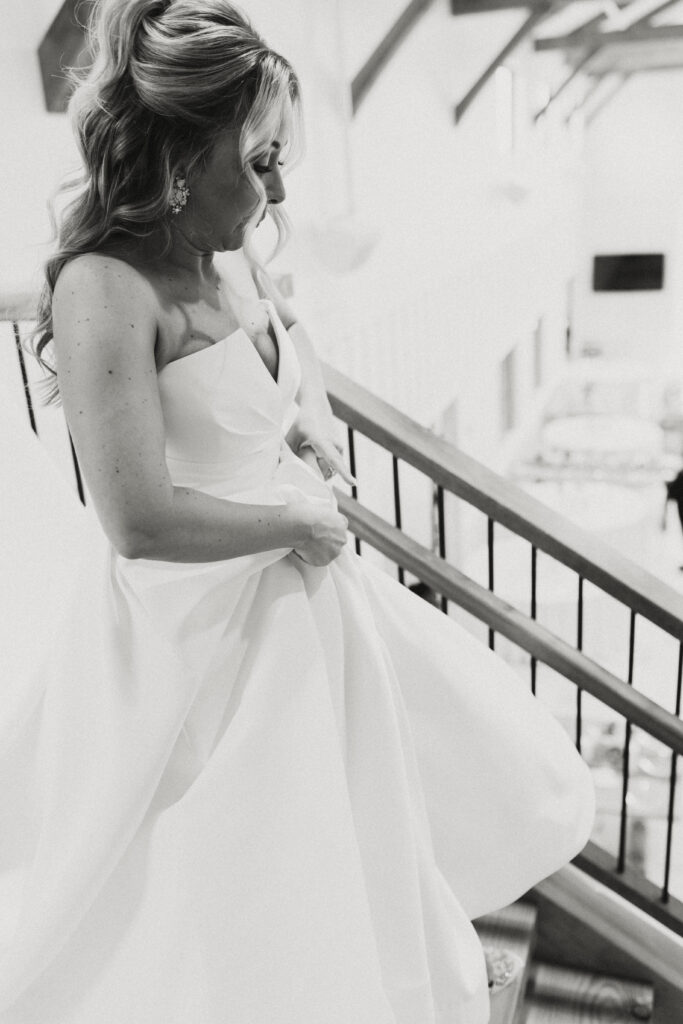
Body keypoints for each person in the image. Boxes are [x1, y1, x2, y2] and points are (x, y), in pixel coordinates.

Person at [0, 1, 595, 1021]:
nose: (280, 185)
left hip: (296, 606)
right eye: (262, 157)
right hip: (189, 635)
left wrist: (309, 427)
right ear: (185, 158)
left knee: (350, 845)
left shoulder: (228, 253)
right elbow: (137, 520)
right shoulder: (105, 288)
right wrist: (297, 522)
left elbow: (291, 343)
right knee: (222, 887)